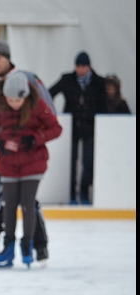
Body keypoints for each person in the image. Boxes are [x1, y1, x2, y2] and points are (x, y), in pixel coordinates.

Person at [0, 40, 55, 266]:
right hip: (0, 155)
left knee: (29, 202)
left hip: (26, 156)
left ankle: (39, 244)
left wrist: (33, 138)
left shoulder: (30, 79)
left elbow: (48, 114)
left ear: (8, 57)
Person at [0, 72, 62, 268]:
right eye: (10, 100)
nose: (13, 104)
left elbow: (56, 128)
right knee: (8, 206)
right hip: (8, 163)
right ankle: (7, 247)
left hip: (33, 162)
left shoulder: (38, 106)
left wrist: (36, 138)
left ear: (25, 96)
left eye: (17, 100)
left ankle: (27, 245)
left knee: (28, 205)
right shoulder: (0, 107)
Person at [48, 51, 106, 205]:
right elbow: (50, 93)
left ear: (89, 66)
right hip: (72, 127)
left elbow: (104, 104)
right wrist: (51, 113)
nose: (80, 70)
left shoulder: (99, 82)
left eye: (84, 66)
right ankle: (72, 194)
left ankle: (85, 193)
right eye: (78, 66)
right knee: (71, 162)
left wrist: (101, 121)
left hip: (90, 127)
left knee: (88, 162)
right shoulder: (67, 79)